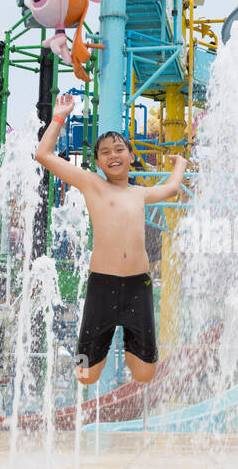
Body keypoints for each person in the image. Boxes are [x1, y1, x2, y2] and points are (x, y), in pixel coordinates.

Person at [34, 93, 188, 385]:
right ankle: (87, 354)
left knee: (145, 374)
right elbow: (43, 155)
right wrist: (59, 117)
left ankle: (132, 347)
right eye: (105, 152)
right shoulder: (92, 184)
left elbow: (170, 189)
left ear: (131, 156)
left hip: (138, 287)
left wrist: (179, 163)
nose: (113, 155)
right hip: (101, 287)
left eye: (119, 150)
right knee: (84, 375)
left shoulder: (139, 193)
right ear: (96, 162)